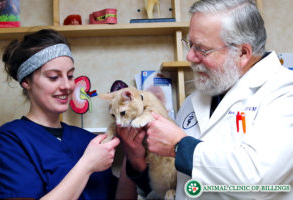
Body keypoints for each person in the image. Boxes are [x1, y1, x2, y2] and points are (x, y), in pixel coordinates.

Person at [117, 0, 293, 199]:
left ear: (243, 53)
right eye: (190, 44)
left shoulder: (284, 91)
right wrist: (138, 161)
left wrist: (179, 146)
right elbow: (178, 185)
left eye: (202, 49)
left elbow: (257, 181)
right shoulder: (196, 100)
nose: (190, 56)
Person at [0, 29, 136, 200]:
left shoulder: (87, 140)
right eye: (54, 77)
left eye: (70, 76)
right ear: (26, 82)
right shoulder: (11, 140)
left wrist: (131, 153)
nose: (67, 85)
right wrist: (87, 165)